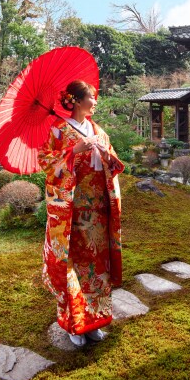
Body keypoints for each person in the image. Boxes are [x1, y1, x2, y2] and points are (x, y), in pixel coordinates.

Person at [38, 80, 124, 347]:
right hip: (72, 212)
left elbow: (114, 163)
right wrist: (74, 150)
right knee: (72, 267)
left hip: (97, 210)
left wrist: (107, 157)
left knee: (97, 267)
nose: (95, 101)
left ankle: (95, 319)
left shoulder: (98, 130)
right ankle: (75, 325)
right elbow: (46, 162)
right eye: (91, 97)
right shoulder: (59, 130)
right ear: (75, 100)